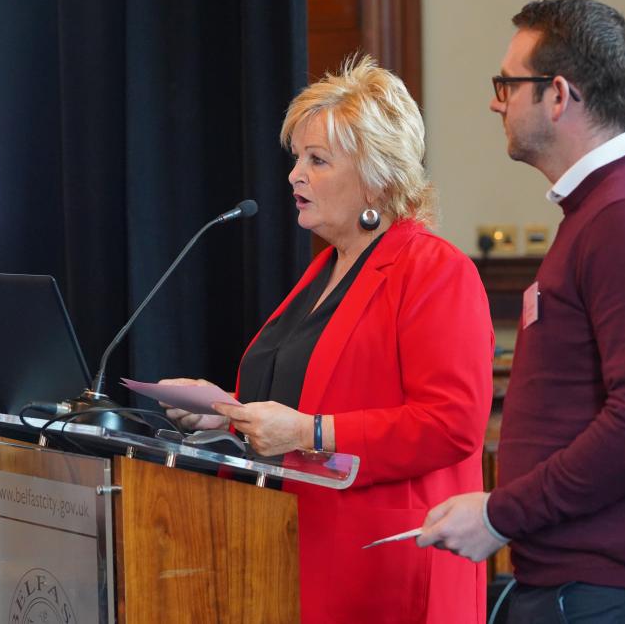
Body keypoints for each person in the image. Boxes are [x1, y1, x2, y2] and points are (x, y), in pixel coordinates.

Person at [417, 0, 625, 623]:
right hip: (589, 589)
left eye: (507, 84)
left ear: (557, 95)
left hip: (610, 597)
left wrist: (500, 514)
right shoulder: (606, 210)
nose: (496, 103)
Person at [161, 55, 494, 623]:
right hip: (289, 556)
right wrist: (224, 412)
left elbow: (451, 423)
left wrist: (309, 432)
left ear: (376, 176)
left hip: (385, 573)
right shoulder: (324, 270)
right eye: (297, 158)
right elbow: (308, 398)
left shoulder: (435, 270)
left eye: (317, 160)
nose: (294, 175)